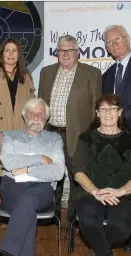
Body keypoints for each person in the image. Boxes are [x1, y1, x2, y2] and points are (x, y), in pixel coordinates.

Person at [38, 35, 102, 221]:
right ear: (57, 52)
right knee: (52, 178)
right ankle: (53, 217)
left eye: (70, 50)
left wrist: (92, 138)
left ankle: (75, 218)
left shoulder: (92, 74)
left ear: (77, 52)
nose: (65, 54)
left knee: (78, 177)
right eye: (61, 50)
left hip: (78, 136)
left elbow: (95, 110)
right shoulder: (46, 72)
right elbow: (42, 104)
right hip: (51, 135)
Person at [71, 93, 131, 256]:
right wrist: (96, 191)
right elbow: (78, 171)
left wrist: (120, 191)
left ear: (120, 112)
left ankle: (99, 251)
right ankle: (105, 253)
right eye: (103, 109)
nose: (108, 113)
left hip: (125, 195)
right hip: (90, 193)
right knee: (88, 221)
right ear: (97, 113)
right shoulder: (86, 138)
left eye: (112, 109)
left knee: (120, 226)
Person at [0, 97, 65, 256]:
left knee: (27, 201)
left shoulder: (54, 139)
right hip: (12, 186)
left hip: (42, 189)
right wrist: (40, 158)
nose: (36, 117)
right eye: (32, 113)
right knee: (27, 210)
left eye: (40, 114)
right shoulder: (9, 136)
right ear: (24, 116)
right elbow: (8, 162)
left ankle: (7, 253)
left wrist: (26, 169)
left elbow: (58, 172)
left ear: (46, 117)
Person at [102, 25, 131, 251]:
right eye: (109, 43)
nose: (113, 45)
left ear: (127, 39)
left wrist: (121, 114)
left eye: (116, 40)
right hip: (116, 142)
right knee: (124, 187)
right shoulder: (107, 75)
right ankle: (126, 235)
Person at [0, 37, 35, 204]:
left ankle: (17, 211)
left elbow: (33, 104)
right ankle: (3, 212)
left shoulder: (27, 76)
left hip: (21, 133)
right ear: (2, 54)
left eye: (14, 51)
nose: (11, 54)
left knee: (19, 175)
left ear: (19, 55)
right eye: (7, 50)